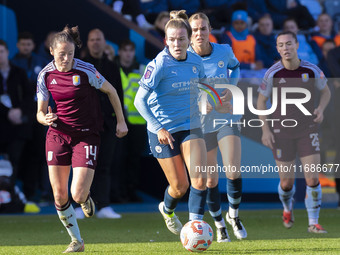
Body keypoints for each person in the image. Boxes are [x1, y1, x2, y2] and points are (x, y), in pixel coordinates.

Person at [36, 25, 128, 252]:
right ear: (51, 52)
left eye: (70, 54)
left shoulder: (86, 70)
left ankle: (85, 198)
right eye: (61, 55)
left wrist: (121, 121)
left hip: (86, 136)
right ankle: (77, 240)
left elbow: (112, 91)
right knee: (59, 194)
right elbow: (39, 111)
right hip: (57, 134)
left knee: (77, 194)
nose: (66, 59)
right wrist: (44, 118)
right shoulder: (45, 75)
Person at [134, 10, 207, 235]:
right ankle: (167, 210)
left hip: (191, 124)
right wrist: (159, 128)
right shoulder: (159, 65)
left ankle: (196, 229)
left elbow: (202, 88)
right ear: (166, 40)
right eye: (172, 40)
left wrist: (210, 101)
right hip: (163, 129)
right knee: (180, 187)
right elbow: (139, 101)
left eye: (181, 39)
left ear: (189, 39)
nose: (177, 44)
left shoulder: (196, 61)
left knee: (200, 180)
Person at [257, 31, 331, 233]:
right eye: (281, 45)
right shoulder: (273, 73)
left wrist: (321, 109)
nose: (285, 48)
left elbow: (326, 91)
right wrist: (265, 130)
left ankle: (313, 222)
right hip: (281, 132)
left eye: (289, 44)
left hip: (308, 129)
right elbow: (261, 101)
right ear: (277, 48)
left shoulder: (312, 70)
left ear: (297, 45)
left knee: (312, 178)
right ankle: (287, 208)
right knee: (287, 183)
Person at [188, 12, 247, 242]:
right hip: (201, 125)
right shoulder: (184, 58)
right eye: (194, 30)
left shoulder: (223, 50)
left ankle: (234, 215)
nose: (199, 33)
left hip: (226, 117)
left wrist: (230, 88)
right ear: (189, 34)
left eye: (203, 28)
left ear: (210, 29)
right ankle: (220, 224)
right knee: (210, 180)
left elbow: (236, 67)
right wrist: (198, 105)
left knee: (233, 169)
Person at [79, 28, 124, 219]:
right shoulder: (80, 65)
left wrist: (120, 121)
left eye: (99, 39)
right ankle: (80, 204)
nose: (96, 42)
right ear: (87, 43)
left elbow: (118, 94)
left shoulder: (112, 66)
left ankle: (104, 205)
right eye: (92, 39)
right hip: (85, 124)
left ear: (104, 42)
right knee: (83, 165)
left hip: (107, 123)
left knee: (104, 164)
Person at [11, 31, 50, 201]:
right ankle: (13, 193)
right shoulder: (11, 64)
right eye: (23, 44)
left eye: (29, 44)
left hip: (39, 114)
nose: (26, 47)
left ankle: (33, 192)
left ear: (33, 45)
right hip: (18, 116)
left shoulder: (41, 63)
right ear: (18, 45)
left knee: (38, 154)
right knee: (17, 155)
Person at [114, 39, 146, 202]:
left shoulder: (142, 69)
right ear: (119, 52)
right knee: (117, 158)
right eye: (125, 50)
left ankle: (131, 192)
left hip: (138, 122)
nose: (128, 54)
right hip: (118, 120)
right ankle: (117, 193)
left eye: (130, 50)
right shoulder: (113, 68)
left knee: (134, 159)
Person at [0, 40, 35, 189]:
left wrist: (19, 111)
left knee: (17, 159)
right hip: (1, 123)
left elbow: (29, 95)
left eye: (1, 52)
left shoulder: (18, 72)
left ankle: (15, 195)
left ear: (8, 53)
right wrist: (7, 112)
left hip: (18, 124)